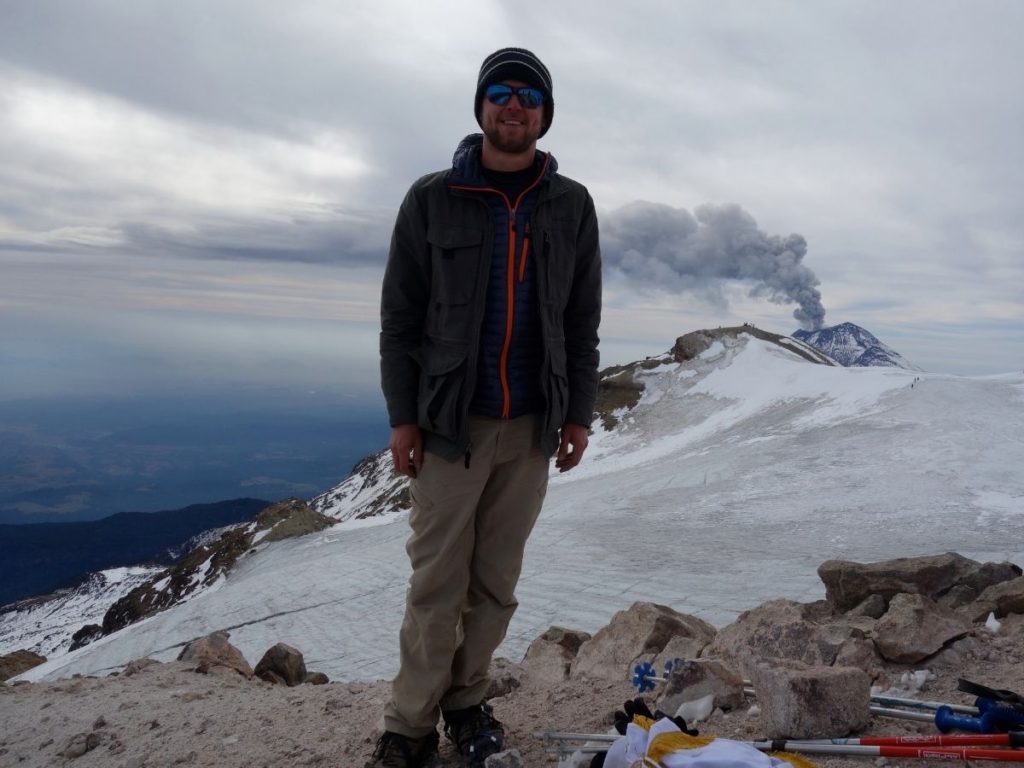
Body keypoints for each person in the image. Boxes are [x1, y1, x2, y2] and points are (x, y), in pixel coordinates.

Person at [371, 47, 602, 767]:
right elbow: (399, 321)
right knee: (436, 583)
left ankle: (467, 706)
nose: (514, 104)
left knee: (495, 584)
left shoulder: (571, 205)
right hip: (449, 426)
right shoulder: (431, 198)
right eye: (500, 91)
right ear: (480, 107)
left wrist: (578, 415)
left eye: (528, 95)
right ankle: (408, 728)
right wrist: (403, 418)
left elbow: (582, 321)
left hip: (531, 428)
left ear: (544, 114)